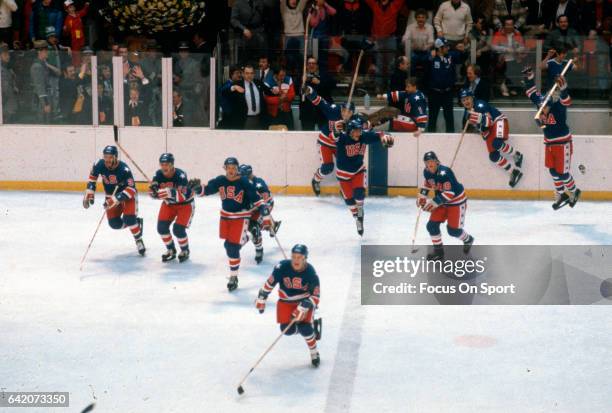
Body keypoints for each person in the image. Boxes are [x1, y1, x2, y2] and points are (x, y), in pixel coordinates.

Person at [188, 157, 273, 292]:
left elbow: (257, 199)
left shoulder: (244, 182)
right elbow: (208, 190)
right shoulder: (220, 180)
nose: (231, 170)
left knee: (232, 248)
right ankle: (252, 234)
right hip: (225, 217)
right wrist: (198, 189)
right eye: (229, 167)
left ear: (237, 168)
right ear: (225, 168)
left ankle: (234, 277)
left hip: (241, 217)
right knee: (228, 245)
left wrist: (264, 210)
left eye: (234, 167)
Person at [523, 68, 581, 210]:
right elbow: (531, 92)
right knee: (553, 171)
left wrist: (564, 88)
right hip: (549, 143)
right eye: (542, 109)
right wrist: (529, 78)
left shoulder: (558, 104)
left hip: (563, 143)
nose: (544, 111)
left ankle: (574, 191)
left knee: (563, 173)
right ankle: (561, 194)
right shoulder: (541, 103)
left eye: (546, 108)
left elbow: (567, 101)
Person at [255, 244, 322, 367]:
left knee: (305, 328)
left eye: (299, 257)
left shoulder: (310, 272)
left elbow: (316, 296)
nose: (295, 260)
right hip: (285, 302)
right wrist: (262, 297)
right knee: (286, 330)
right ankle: (307, 328)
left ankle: (314, 352)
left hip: (303, 302)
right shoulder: (282, 267)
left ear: (305, 258)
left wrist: (305, 305)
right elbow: (270, 283)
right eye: (293, 257)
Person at [334, 115, 394, 235]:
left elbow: (381, 134)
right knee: (350, 201)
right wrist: (336, 129)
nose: (358, 133)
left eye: (360, 130)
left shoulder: (364, 136)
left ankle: (360, 213)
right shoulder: (343, 138)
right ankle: (357, 218)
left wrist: (386, 137)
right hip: (343, 175)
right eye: (355, 131)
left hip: (358, 171)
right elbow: (335, 135)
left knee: (359, 194)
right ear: (349, 130)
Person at [83, 145, 145, 256]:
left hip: (127, 196)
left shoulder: (124, 169)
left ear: (115, 157)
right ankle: (137, 223)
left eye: (110, 157)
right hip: (110, 195)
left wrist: (116, 199)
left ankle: (138, 239)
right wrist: (90, 191)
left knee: (129, 218)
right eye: (105, 157)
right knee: (114, 224)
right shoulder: (99, 164)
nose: (107, 160)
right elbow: (92, 178)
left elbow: (131, 189)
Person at [459, 88, 524, 187]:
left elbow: (489, 121)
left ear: (472, 98)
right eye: (463, 100)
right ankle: (513, 172)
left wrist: (478, 117)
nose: (466, 101)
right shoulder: (466, 113)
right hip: (489, 130)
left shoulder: (480, 105)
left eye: (467, 98)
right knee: (493, 156)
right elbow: (479, 127)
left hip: (499, 121)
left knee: (496, 144)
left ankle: (517, 155)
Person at [417, 151, 474, 260]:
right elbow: (427, 184)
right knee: (431, 226)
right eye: (427, 163)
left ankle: (468, 239)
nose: (429, 165)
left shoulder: (445, 172)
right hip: (442, 202)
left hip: (456, 202)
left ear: (437, 162)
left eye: (431, 162)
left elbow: (450, 194)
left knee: (453, 231)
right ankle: (439, 252)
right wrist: (422, 197)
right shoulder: (427, 172)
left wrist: (434, 202)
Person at [302, 85, 354, 196]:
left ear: (352, 113)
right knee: (327, 167)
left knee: (346, 166)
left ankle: (344, 187)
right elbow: (320, 101)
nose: (345, 114)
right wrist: (309, 91)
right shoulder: (333, 111)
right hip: (325, 142)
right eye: (344, 111)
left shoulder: (354, 121)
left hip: (339, 144)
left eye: (348, 112)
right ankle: (315, 180)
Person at [149, 153, 194, 263]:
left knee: (178, 230)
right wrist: (153, 192)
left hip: (185, 205)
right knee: (161, 228)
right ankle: (171, 250)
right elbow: (152, 189)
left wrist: (167, 192)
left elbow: (182, 196)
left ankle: (185, 250)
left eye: (167, 164)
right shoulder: (158, 174)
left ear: (172, 164)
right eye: (162, 164)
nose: (164, 167)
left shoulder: (180, 175)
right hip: (169, 204)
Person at [239, 164, 280, 264]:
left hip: (264, 207)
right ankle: (273, 224)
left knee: (254, 228)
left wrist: (258, 204)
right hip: (252, 209)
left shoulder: (258, 183)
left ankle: (259, 249)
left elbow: (265, 199)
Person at [363, 0, 405, 91]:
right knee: (379, 64)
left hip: (390, 38)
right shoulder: (375, 5)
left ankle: (391, 87)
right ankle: (379, 86)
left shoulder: (394, 5)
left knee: (391, 65)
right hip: (378, 39)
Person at [491, 16, 526, 96]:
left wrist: (516, 49)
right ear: (504, 25)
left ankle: (511, 87)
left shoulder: (517, 34)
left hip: (514, 57)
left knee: (516, 66)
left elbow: (522, 46)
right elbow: (493, 46)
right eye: (507, 24)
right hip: (502, 58)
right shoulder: (499, 33)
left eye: (511, 24)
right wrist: (505, 49)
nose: (509, 26)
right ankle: (503, 85)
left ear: (513, 25)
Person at [299, 56, 336, 131]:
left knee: (324, 134)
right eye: (309, 63)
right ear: (306, 66)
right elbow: (298, 92)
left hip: (323, 112)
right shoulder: (302, 76)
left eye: (313, 63)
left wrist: (320, 82)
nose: (311, 65)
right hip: (307, 113)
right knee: (307, 135)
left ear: (317, 66)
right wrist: (302, 82)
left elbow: (333, 85)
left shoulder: (324, 75)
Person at [427, 37, 455, 133]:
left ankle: (451, 139)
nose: (448, 48)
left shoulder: (450, 58)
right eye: (445, 47)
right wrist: (430, 57)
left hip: (447, 93)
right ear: (439, 48)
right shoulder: (431, 59)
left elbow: (453, 73)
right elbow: (426, 75)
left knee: (449, 118)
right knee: (432, 118)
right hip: (434, 94)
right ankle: (430, 140)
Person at [433, 0, 473, 65]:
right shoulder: (443, 5)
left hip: (460, 40)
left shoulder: (466, 7)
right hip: (445, 40)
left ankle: (457, 74)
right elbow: (436, 19)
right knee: (445, 63)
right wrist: (439, 30)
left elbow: (469, 23)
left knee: (458, 64)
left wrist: (467, 35)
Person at [402, 9, 434, 78]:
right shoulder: (410, 27)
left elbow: (431, 42)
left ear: (426, 19)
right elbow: (405, 39)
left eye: (423, 17)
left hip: (425, 51)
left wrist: (426, 47)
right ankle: (412, 81)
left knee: (429, 61)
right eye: (419, 17)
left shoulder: (430, 27)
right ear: (416, 18)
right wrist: (406, 41)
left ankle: (426, 82)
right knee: (410, 61)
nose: (420, 19)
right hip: (414, 51)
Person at [280, 0, 307, 73]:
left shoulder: (299, 9)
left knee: (301, 61)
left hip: (300, 36)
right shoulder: (284, 10)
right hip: (288, 36)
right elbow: (282, 1)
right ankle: (289, 80)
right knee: (289, 61)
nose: (293, 1)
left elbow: (303, 1)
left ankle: (300, 79)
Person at [30, 40, 53, 123]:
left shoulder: (43, 64)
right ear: (39, 52)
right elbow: (40, 87)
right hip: (41, 102)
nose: (47, 52)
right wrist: (46, 104)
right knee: (42, 123)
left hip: (44, 99)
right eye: (45, 50)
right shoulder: (37, 66)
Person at [62, 0, 89, 66]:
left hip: (81, 37)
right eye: (70, 7)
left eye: (72, 6)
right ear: (66, 10)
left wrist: (86, 5)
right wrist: (65, 30)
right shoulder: (68, 19)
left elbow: (84, 11)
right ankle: (76, 66)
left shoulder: (78, 14)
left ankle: (84, 65)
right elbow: (66, 32)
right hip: (74, 39)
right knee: (76, 53)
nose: (72, 8)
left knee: (83, 52)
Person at [242, 64, 266, 130]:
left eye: (251, 73)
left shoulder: (258, 83)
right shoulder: (239, 84)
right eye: (247, 73)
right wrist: (233, 87)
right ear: (243, 74)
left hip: (259, 118)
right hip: (245, 119)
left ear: (254, 74)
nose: (249, 75)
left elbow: (269, 92)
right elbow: (224, 90)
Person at [1, 44, 18, 123]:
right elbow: (6, 89)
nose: (8, 56)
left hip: (9, 106)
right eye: (5, 54)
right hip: (5, 107)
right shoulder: (2, 70)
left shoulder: (7, 68)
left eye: (8, 54)